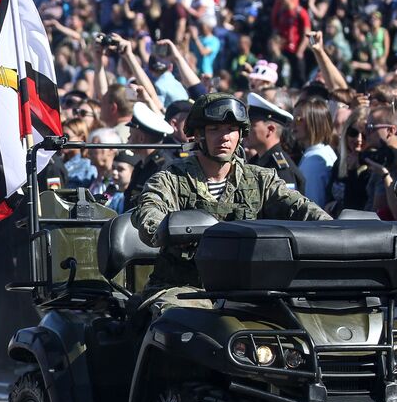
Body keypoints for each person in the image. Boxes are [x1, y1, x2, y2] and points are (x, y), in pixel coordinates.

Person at [131, 93, 330, 309]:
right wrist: (168, 229)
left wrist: (332, 230)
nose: (224, 137)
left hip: (247, 290)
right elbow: (150, 213)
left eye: (231, 129)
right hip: (182, 289)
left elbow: (301, 208)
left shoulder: (261, 179)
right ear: (198, 135)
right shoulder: (171, 179)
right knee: (180, 321)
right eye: (214, 129)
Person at [245, 91, 305, 190]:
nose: (245, 131)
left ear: (270, 129)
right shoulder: (256, 161)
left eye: (251, 126)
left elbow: (285, 204)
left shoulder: (281, 170)